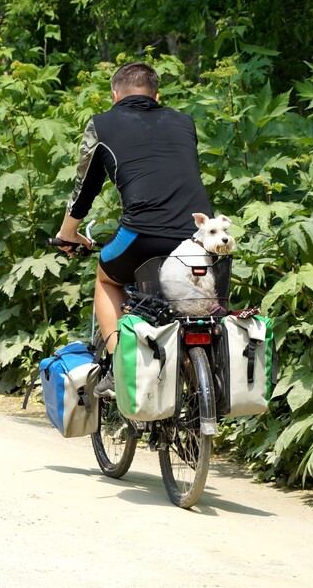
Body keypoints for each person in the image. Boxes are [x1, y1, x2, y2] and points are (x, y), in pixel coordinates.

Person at [55, 61, 213, 395]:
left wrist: (68, 234)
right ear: (157, 95)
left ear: (115, 95)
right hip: (197, 237)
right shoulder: (184, 122)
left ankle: (118, 368)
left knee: (106, 277)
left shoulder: (102, 124)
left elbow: (85, 188)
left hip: (141, 232)